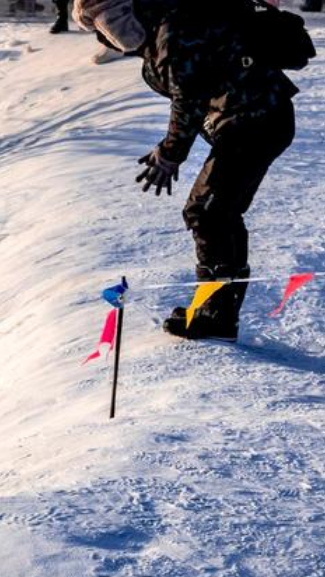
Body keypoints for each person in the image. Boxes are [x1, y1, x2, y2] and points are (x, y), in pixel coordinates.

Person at [73, 0, 298, 340]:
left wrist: (170, 154)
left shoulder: (175, 29)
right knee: (219, 213)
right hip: (251, 120)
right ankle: (217, 312)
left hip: (255, 121)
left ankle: (216, 316)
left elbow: (189, 97)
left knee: (207, 213)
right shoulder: (164, 26)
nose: (111, 38)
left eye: (108, 27)